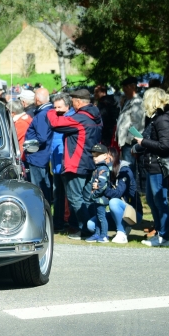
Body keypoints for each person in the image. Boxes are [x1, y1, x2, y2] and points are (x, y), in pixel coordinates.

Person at [47, 89, 103, 238]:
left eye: (72, 101)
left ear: (78, 101)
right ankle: (93, 228)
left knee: (74, 197)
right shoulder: (95, 117)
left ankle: (88, 229)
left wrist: (51, 110)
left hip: (76, 162)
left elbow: (56, 124)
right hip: (90, 161)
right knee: (86, 198)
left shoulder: (80, 118)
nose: (71, 105)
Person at [132, 88, 169, 247]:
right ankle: (159, 232)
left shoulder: (162, 119)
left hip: (159, 165)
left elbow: (165, 145)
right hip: (152, 164)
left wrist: (143, 142)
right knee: (153, 200)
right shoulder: (157, 118)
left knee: (160, 201)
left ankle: (164, 236)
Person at [49, 95, 76, 233]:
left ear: (67, 106)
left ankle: (72, 223)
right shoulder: (58, 117)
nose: (56, 110)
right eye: (54, 107)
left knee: (70, 195)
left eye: (59, 107)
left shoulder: (71, 119)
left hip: (66, 163)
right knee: (58, 195)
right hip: (56, 163)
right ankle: (58, 223)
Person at [102, 146, 138, 243]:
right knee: (91, 225)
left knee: (114, 202)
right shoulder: (104, 171)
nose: (104, 160)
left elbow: (118, 193)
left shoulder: (125, 170)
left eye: (106, 157)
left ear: (113, 157)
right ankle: (115, 228)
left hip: (131, 213)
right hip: (115, 213)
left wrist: (102, 189)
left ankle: (121, 233)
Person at [24, 88, 54, 204]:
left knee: (39, 187)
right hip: (43, 154)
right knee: (44, 184)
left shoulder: (42, 114)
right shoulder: (49, 111)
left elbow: (42, 137)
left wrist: (27, 145)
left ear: (37, 99)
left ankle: (41, 209)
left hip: (38, 156)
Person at [115, 76, 145, 167]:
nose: (124, 90)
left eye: (126, 87)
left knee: (128, 168)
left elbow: (136, 124)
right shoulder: (128, 101)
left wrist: (129, 139)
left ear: (132, 87)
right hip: (125, 142)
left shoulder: (137, 102)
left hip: (130, 142)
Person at [85, 144, 111, 242]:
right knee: (97, 216)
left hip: (101, 198)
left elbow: (102, 185)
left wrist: (95, 194)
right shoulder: (98, 168)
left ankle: (104, 235)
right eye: (94, 156)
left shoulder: (103, 168)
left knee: (101, 217)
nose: (95, 158)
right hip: (97, 198)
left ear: (105, 155)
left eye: (98, 155)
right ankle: (97, 234)